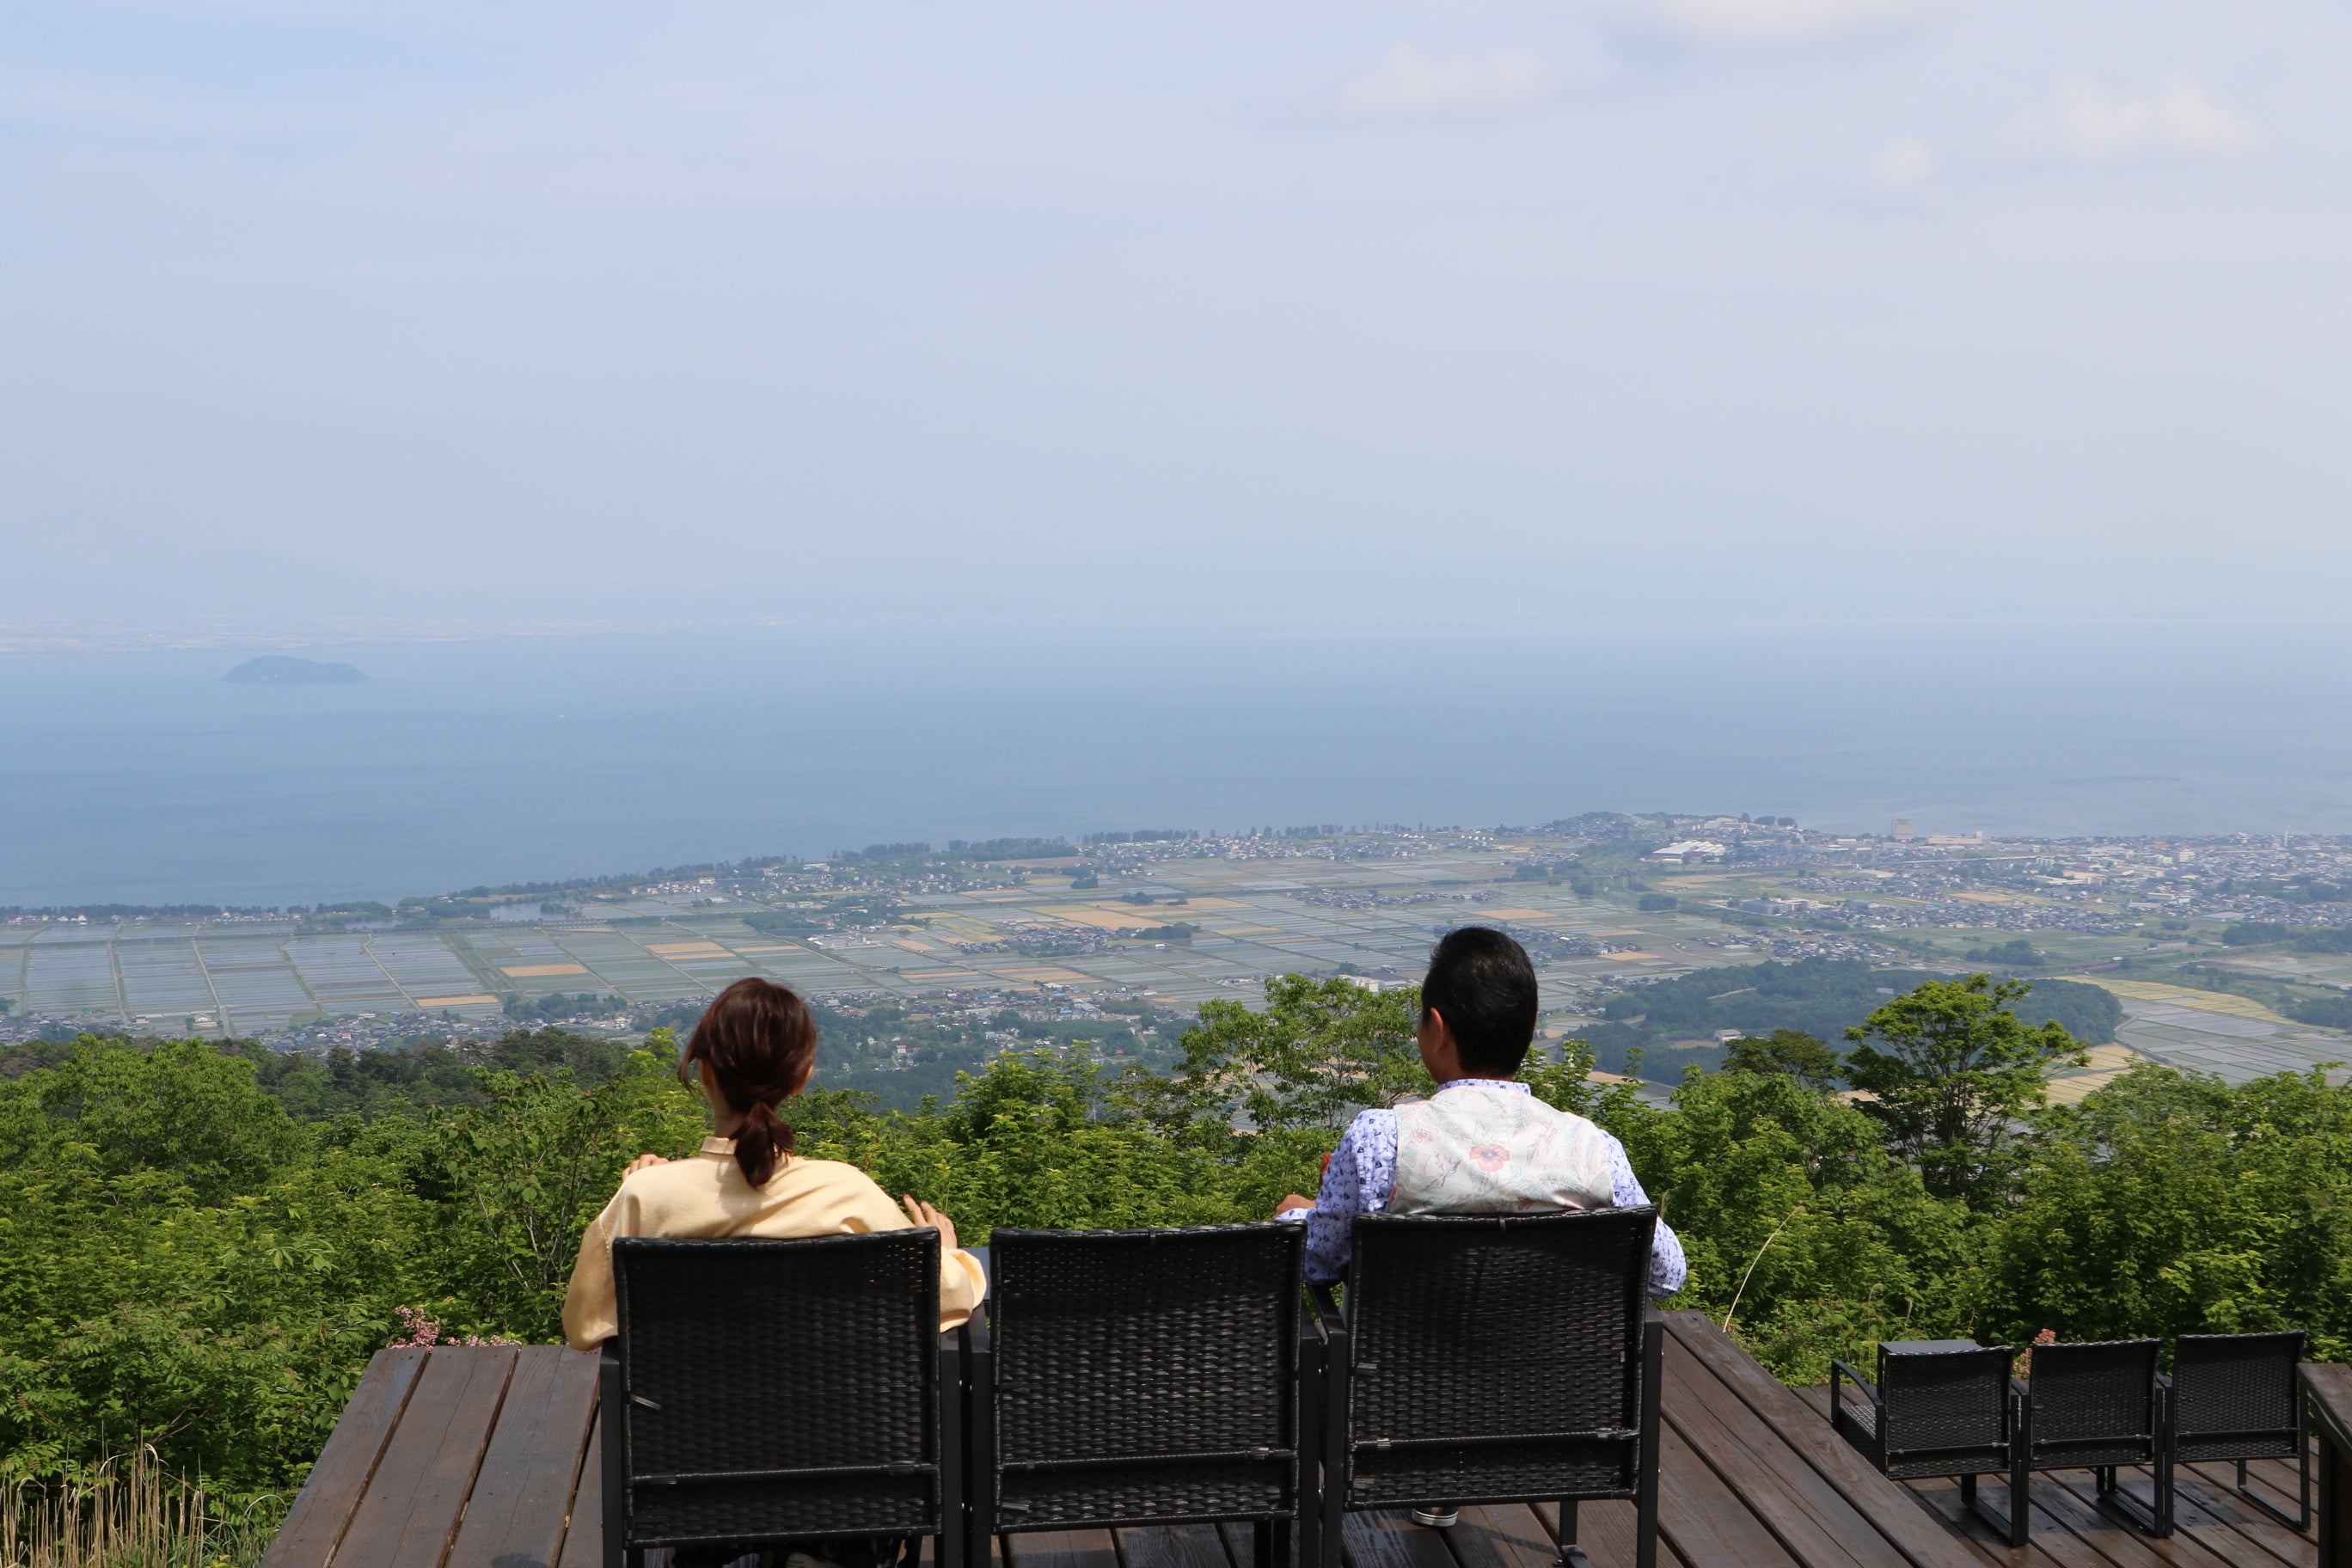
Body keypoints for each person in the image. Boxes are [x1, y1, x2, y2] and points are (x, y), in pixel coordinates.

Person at [1272, 927, 1687, 1529]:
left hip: (1393, 1419)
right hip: (1556, 1417)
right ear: (1528, 1029)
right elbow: (1668, 1274)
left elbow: (1314, 1264)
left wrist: (1296, 1212)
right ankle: (1447, 1487)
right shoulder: (1591, 1149)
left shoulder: (1380, 1138)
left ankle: (1428, 1477)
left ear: (1436, 1029)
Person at [564, 977, 984, 1568]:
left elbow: (585, 1327)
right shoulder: (847, 1191)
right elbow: (949, 1300)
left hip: (694, 1474)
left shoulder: (644, 1198)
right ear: (802, 1079)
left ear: (703, 1072)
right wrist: (945, 1248)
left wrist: (634, 1192)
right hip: (846, 1470)